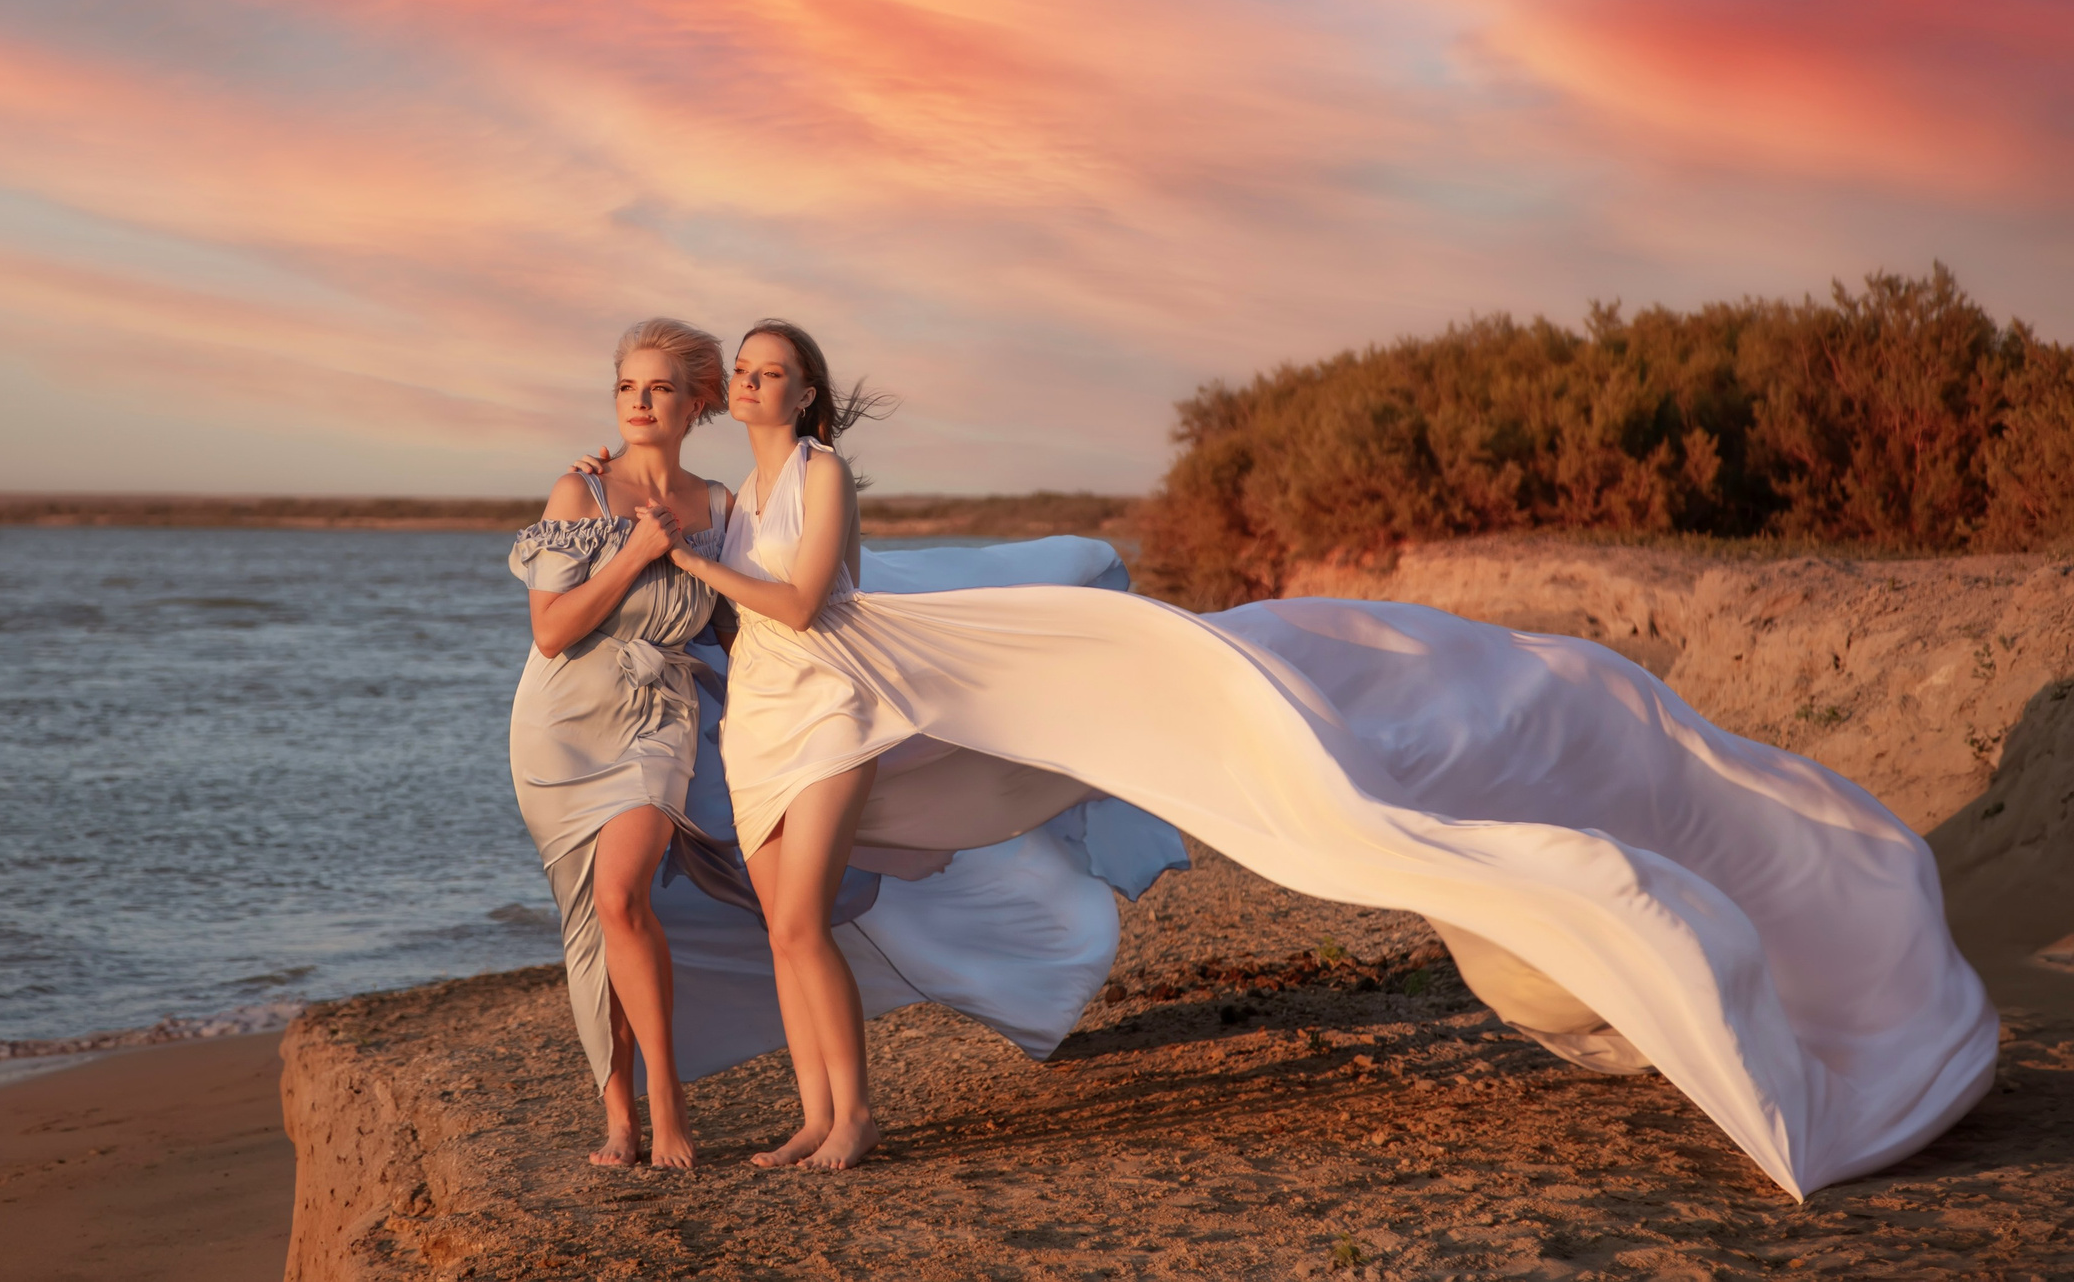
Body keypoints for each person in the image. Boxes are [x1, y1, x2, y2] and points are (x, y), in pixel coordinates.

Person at [655, 318, 1995, 1196]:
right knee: (786, 924)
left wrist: (695, 564)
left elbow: (803, 602)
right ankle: (812, 1114)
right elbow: (640, 521)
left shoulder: (818, 476)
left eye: (774, 369)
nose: (757, 384)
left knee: (807, 921)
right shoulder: (740, 492)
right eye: (746, 372)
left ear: (808, 390)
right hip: (762, 713)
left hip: (828, 706)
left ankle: (850, 1120)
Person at [506, 316, 736, 1169]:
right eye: (627, 387)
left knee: (619, 897)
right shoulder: (580, 495)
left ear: (697, 402)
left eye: (660, 388)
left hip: (659, 719)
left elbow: (745, 622)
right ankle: (620, 1117)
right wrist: (636, 551)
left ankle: (668, 1101)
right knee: (587, 920)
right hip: (561, 727)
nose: (640, 403)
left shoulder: (721, 507)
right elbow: (552, 630)